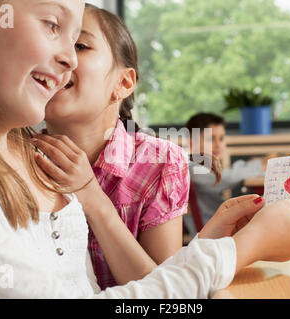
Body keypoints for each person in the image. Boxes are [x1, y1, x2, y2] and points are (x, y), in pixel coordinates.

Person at [0, 0, 290, 298]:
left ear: (123, 83)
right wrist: (242, 249)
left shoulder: (26, 154)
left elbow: (139, 287)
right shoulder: (3, 157)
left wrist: (215, 246)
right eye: (52, 25)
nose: (68, 60)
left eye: (79, 44)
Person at [33, 4, 189, 290]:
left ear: (123, 82)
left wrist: (92, 197)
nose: (58, 55)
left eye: (80, 45)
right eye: (49, 41)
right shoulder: (17, 155)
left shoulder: (160, 162)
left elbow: (164, 295)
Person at [184, 113, 276, 236]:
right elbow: (227, 177)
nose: (218, 144)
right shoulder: (193, 170)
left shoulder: (199, 168)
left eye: (221, 138)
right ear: (192, 144)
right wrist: (260, 165)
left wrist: (255, 164)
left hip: (220, 227)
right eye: (211, 139)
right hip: (213, 233)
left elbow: (229, 173)